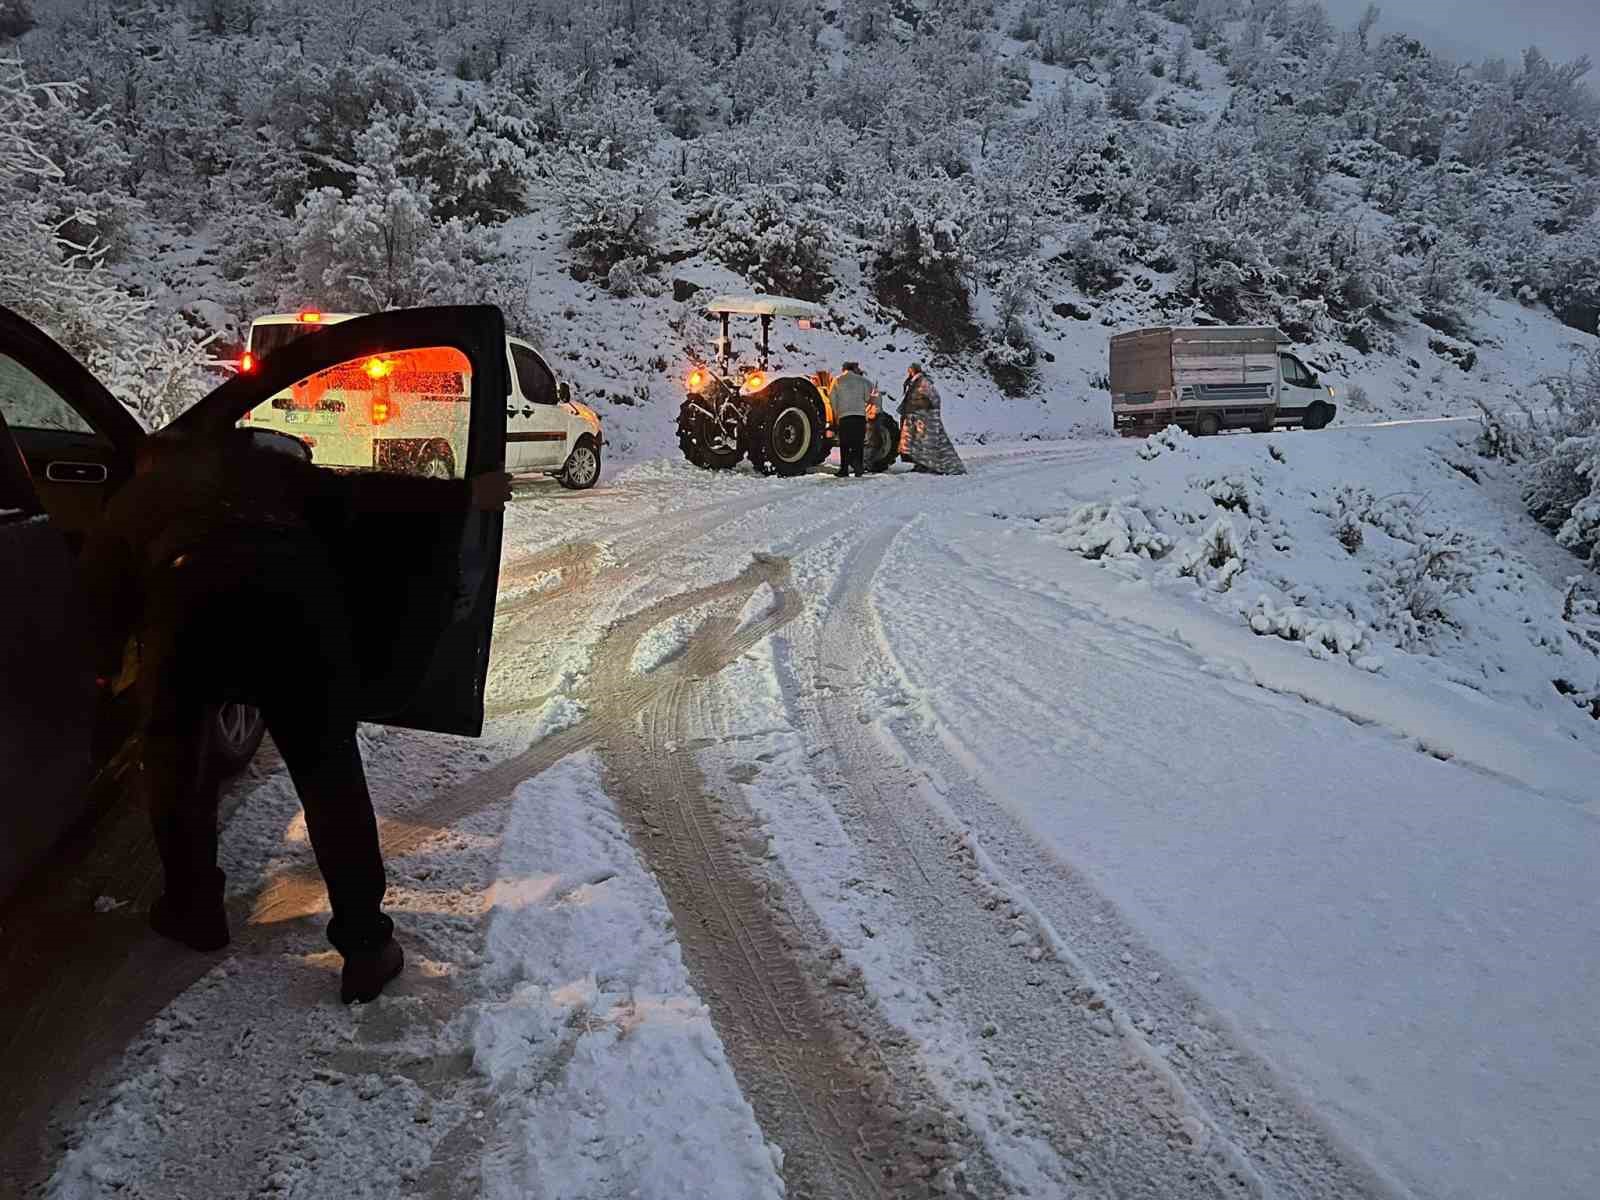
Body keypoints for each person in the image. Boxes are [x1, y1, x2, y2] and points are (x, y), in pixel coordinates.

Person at [81, 428, 512, 1003]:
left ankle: (195, 908)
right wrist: (465, 495)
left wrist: (103, 670)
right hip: (296, 617)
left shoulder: (141, 495)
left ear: (153, 458)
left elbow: (97, 593)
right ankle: (365, 945)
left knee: (175, 763)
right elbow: (368, 496)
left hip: (188, 617)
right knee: (327, 774)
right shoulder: (272, 473)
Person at [898, 363, 966, 475]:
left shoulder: (923, 382)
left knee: (926, 443)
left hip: (925, 419)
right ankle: (919, 464)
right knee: (916, 443)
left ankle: (929, 465)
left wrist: (928, 412)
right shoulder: (913, 382)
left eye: (910, 370)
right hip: (914, 418)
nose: (908, 372)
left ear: (914, 370)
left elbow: (935, 398)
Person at [830, 361, 872, 478]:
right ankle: (858, 468)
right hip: (859, 416)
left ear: (844, 369)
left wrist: (837, 412)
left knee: (845, 443)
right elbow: (868, 398)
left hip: (844, 416)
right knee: (858, 443)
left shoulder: (837, 380)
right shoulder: (862, 381)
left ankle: (844, 470)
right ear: (854, 368)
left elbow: (832, 397)